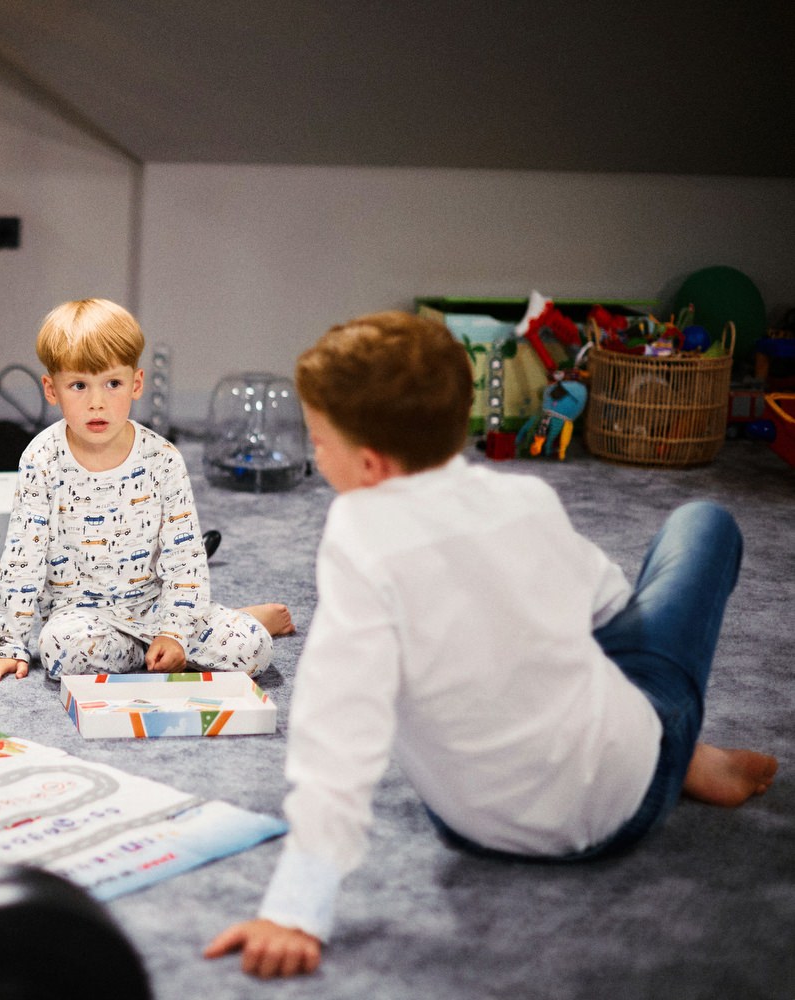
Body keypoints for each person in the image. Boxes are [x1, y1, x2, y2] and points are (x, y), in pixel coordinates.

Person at [204, 310, 778, 978]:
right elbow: (612, 605)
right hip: (627, 800)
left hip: (475, 824)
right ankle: (674, 750)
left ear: (369, 463)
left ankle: (678, 752)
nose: (315, 453)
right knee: (702, 524)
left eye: (318, 440)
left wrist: (295, 909)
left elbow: (337, 729)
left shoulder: (359, 538)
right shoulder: (527, 499)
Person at [0, 298, 292, 685]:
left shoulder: (163, 458)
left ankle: (209, 631)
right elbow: (23, 556)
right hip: (83, 618)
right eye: (79, 385)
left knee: (254, 648)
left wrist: (175, 632)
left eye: (113, 384)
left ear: (136, 384)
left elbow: (185, 557)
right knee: (60, 651)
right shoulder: (41, 458)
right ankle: (152, 652)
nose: (97, 402)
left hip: (156, 607)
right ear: (52, 390)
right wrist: (9, 643)